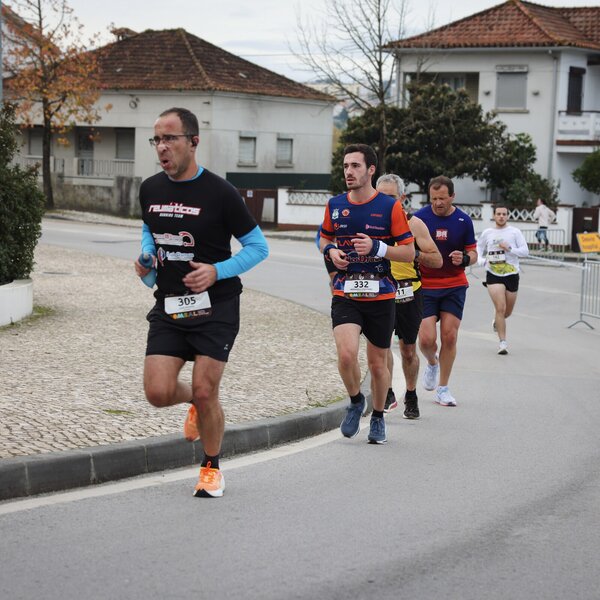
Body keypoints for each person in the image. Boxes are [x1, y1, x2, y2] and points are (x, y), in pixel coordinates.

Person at [134, 107, 269, 498]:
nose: (162, 147)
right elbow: (150, 228)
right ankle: (195, 400)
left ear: (193, 141)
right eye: (157, 139)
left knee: (208, 389)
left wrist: (216, 271)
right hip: (170, 305)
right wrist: (147, 258)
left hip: (216, 307)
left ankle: (211, 467)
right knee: (158, 392)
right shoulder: (150, 188)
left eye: (170, 139)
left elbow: (258, 247)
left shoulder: (221, 193)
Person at [319, 144, 415, 444]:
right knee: (347, 355)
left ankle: (377, 417)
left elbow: (409, 252)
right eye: (346, 166)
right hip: (345, 291)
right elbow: (323, 238)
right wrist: (331, 250)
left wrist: (378, 248)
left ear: (371, 170)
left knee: (377, 364)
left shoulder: (389, 207)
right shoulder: (335, 204)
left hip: (381, 295)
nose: (348, 172)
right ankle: (356, 400)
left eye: (355, 166)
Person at [375, 174, 442, 420]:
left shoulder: (414, 224)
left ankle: (411, 394)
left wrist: (414, 254)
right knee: (380, 347)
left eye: (391, 197)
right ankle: (388, 392)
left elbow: (437, 259)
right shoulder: (370, 223)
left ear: (402, 198)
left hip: (409, 292)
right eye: (381, 196)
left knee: (407, 349)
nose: (385, 202)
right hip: (380, 291)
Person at [414, 176, 477, 407]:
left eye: (442, 198)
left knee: (449, 336)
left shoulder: (463, 220)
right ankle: (432, 362)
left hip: (454, 284)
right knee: (426, 339)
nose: (438, 203)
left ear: (452, 196)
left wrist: (465, 258)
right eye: (433, 199)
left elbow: (474, 253)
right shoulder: (419, 219)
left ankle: (443, 388)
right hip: (426, 285)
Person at [477, 205, 529, 355]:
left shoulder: (515, 232)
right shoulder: (488, 233)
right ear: (494, 215)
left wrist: (510, 248)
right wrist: (482, 261)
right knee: (500, 308)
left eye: (504, 214)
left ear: (507, 216)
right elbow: (478, 248)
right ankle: (502, 343)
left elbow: (525, 251)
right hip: (493, 273)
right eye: (498, 214)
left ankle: (497, 321)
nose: (501, 216)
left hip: (511, 274)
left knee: (507, 312)